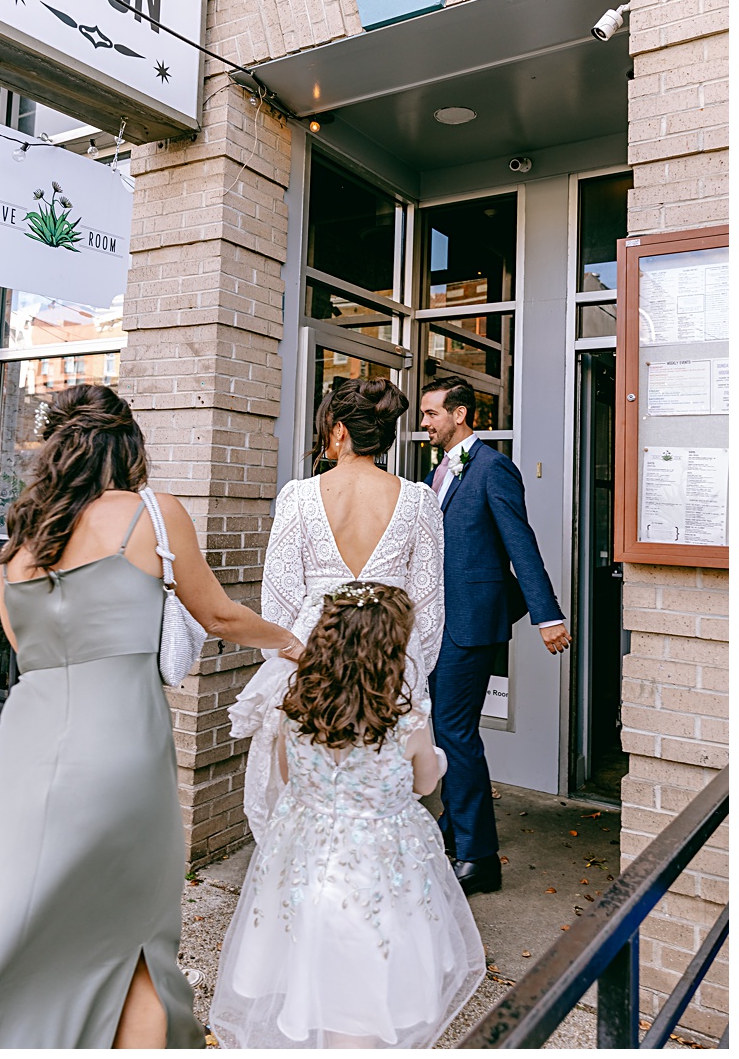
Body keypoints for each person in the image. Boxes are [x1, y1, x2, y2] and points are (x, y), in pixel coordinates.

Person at [0, 384, 304, 1051]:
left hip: (23, 756)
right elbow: (220, 615)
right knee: (136, 943)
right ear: (131, 447)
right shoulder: (154, 514)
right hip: (119, 756)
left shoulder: (26, 539)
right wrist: (288, 641)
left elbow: (22, 648)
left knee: (18, 934)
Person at [208, 582, 485, 1049]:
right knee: (364, 986)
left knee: (309, 966)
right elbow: (423, 785)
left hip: (308, 857)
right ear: (391, 650)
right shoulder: (407, 721)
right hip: (376, 869)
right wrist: (435, 759)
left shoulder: (295, 711)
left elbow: (289, 777)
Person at [231, 377, 443, 845]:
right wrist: (411, 671)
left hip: (309, 657)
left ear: (340, 430)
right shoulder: (419, 501)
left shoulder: (299, 496)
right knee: (378, 796)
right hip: (391, 658)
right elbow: (428, 608)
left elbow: (280, 603)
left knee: (301, 794)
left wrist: (292, 658)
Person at [420, 377, 568, 895]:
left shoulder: (492, 468)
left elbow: (519, 543)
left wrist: (548, 616)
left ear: (460, 415)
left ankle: (479, 858)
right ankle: (454, 829)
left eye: (432, 413)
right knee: (446, 732)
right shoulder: (437, 471)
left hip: (471, 625)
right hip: (438, 623)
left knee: (455, 734)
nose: (425, 422)